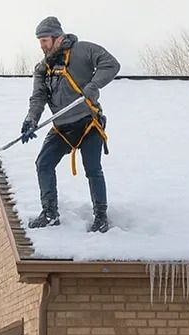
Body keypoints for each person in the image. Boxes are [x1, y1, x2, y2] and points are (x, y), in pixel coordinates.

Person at [21, 17, 120, 233]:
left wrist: (93, 86)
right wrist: (31, 119)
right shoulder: (43, 69)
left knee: (92, 168)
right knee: (43, 163)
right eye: (40, 41)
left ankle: (101, 217)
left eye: (45, 40)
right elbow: (38, 97)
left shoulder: (82, 51)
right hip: (62, 127)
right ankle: (49, 213)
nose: (42, 45)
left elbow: (111, 64)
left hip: (88, 123)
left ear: (58, 38)